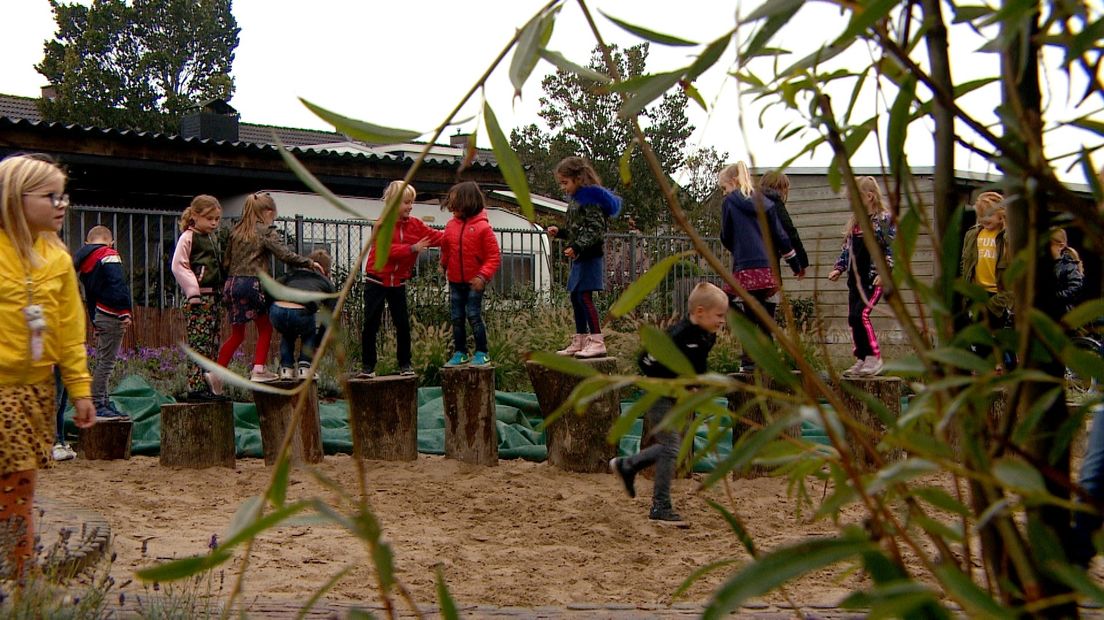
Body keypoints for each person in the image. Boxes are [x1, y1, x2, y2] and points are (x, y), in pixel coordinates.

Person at [0, 154, 96, 577]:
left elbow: (69, 332)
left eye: (65, 196)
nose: (62, 205)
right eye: (50, 196)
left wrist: (80, 389)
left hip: (34, 391)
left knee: (18, 489)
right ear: (14, 199)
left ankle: (22, 579)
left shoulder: (57, 260)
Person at [609, 282, 728, 526]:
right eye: (719, 315)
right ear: (700, 312)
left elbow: (697, 364)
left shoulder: (707, 335)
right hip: (659, 395)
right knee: (671, 447)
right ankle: (660, 506)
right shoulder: (677, 335)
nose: (722, 321)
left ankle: (628, 465)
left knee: (670, 446)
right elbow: (646, 360)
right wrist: (668, 382)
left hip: (676, 397)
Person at [217, 192, 319, 382]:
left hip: (232, 284)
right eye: (274, 215)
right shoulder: (265, 231)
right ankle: (258, 369)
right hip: (253, 284)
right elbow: (284, 254)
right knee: (265, 327)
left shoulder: (235, 232)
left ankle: (215, 372)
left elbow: (226, 262)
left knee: (237, 334)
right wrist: (309, 263)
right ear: (268, 212)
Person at [718, 161, 803, 373]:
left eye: (724, 187)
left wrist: (735, 246)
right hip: (768, 270)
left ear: (734, 182)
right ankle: (769, 359)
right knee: (766, 315)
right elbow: (781, 236)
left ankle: (749, 360)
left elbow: (726, 235)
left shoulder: (730, 202)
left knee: (737, 308)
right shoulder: (766, 203)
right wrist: (795, 263)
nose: (724, 192)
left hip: (746, 269)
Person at [358, 181, 443, 378]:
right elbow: (385, 251)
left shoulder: (415, 225)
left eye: (411, 202)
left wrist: (455, 234)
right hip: (377, 280)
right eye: (406, 202)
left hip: (398, 282)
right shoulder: (381, 225)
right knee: (371, 323)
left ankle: (405, 364)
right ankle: (368, 367)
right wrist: (412, 249)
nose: (410, 206)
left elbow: (435, 237)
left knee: (402, 323)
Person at [547, 156, 621, 359]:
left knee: (584, 296)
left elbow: (595, 229)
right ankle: (580, 338)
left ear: (578, 178)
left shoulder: (590, 199)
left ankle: (597, 340)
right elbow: (578, 228)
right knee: (575, 296)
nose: (563, 188)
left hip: (590, 256)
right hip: (581, 255)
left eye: (565, 182)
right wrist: (561, 232)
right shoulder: (578, 199)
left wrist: (577, 246)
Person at [827, 176, 896, 377]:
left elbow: (892, 249)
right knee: (852, 317)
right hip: (854, 278)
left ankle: (875, 357)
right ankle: (862, 358)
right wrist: (839, 268)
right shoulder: (856, 223)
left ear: (869, 196)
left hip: (872, 277)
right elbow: (847, 250)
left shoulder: (883, 220)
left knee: (862, 314)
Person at [171, 194, 229, 401]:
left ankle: (210, 385)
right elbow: (179, 265)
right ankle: (195, 386)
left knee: (213, 342)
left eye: (217, 219)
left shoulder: (213, 238)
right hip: (199, 299)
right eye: (209, 218)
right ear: (195, 216)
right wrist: (192, 290)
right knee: (199, 343)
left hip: (214, 297)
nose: (214, 223)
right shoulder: (189, 237)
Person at [439, 181, 500, 367]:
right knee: (456, 317)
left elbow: (493, 256)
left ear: (467, 203)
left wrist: (482, 276)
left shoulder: (483, 228)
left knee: (473, 315)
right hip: (456, 280)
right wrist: (442, 265)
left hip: (475, 281)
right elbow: (446, 249)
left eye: (455, 205)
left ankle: (482, 351)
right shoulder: (451, 226)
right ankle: (460, 352)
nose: (452, 209)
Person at [74, 225, 133, 417]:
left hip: (98, 312)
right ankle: (98, 403)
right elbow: (118, 283)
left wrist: (94, 320)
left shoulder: (83, 262)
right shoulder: (109, 255)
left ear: (87, 242)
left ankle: (104, 401)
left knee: (102, 359)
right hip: (112, 312)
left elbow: (89, 296)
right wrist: (124, 310)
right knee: (107, 362)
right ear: (111, 241)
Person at [959, 191, 1012, 368]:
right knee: (975, 333)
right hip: (976, 291)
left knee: (989, 332)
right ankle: (988, 367)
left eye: (989, 215)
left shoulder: (1007, 238)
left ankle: (994, 366)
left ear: (1001, 213)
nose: (984, 219)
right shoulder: (973, 235)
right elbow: (965, 263)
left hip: (996, 294)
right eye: (981, 216)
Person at [270, 249, 337, 380]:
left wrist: (271, 307)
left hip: (277, 310)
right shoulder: (327, 283)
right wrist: (318, 343)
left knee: (288, 333)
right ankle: (304, 367)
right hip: (300, 313)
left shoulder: (292, 274)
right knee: (310, 330)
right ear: (326, 270)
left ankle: (286, 368)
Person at [757, 170, 808, 276]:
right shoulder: (774, 204)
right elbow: (789, 232)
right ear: (780, 188)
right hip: (769, 262)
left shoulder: (751, 203)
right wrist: (801, 262)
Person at [1050, 228, 1083, 316]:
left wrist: (1053, 297)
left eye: (1049, 245)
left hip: (1063, 313)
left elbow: (1074, 289)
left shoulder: (1069, 265)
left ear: (1060, 246)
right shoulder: (1044, 265)